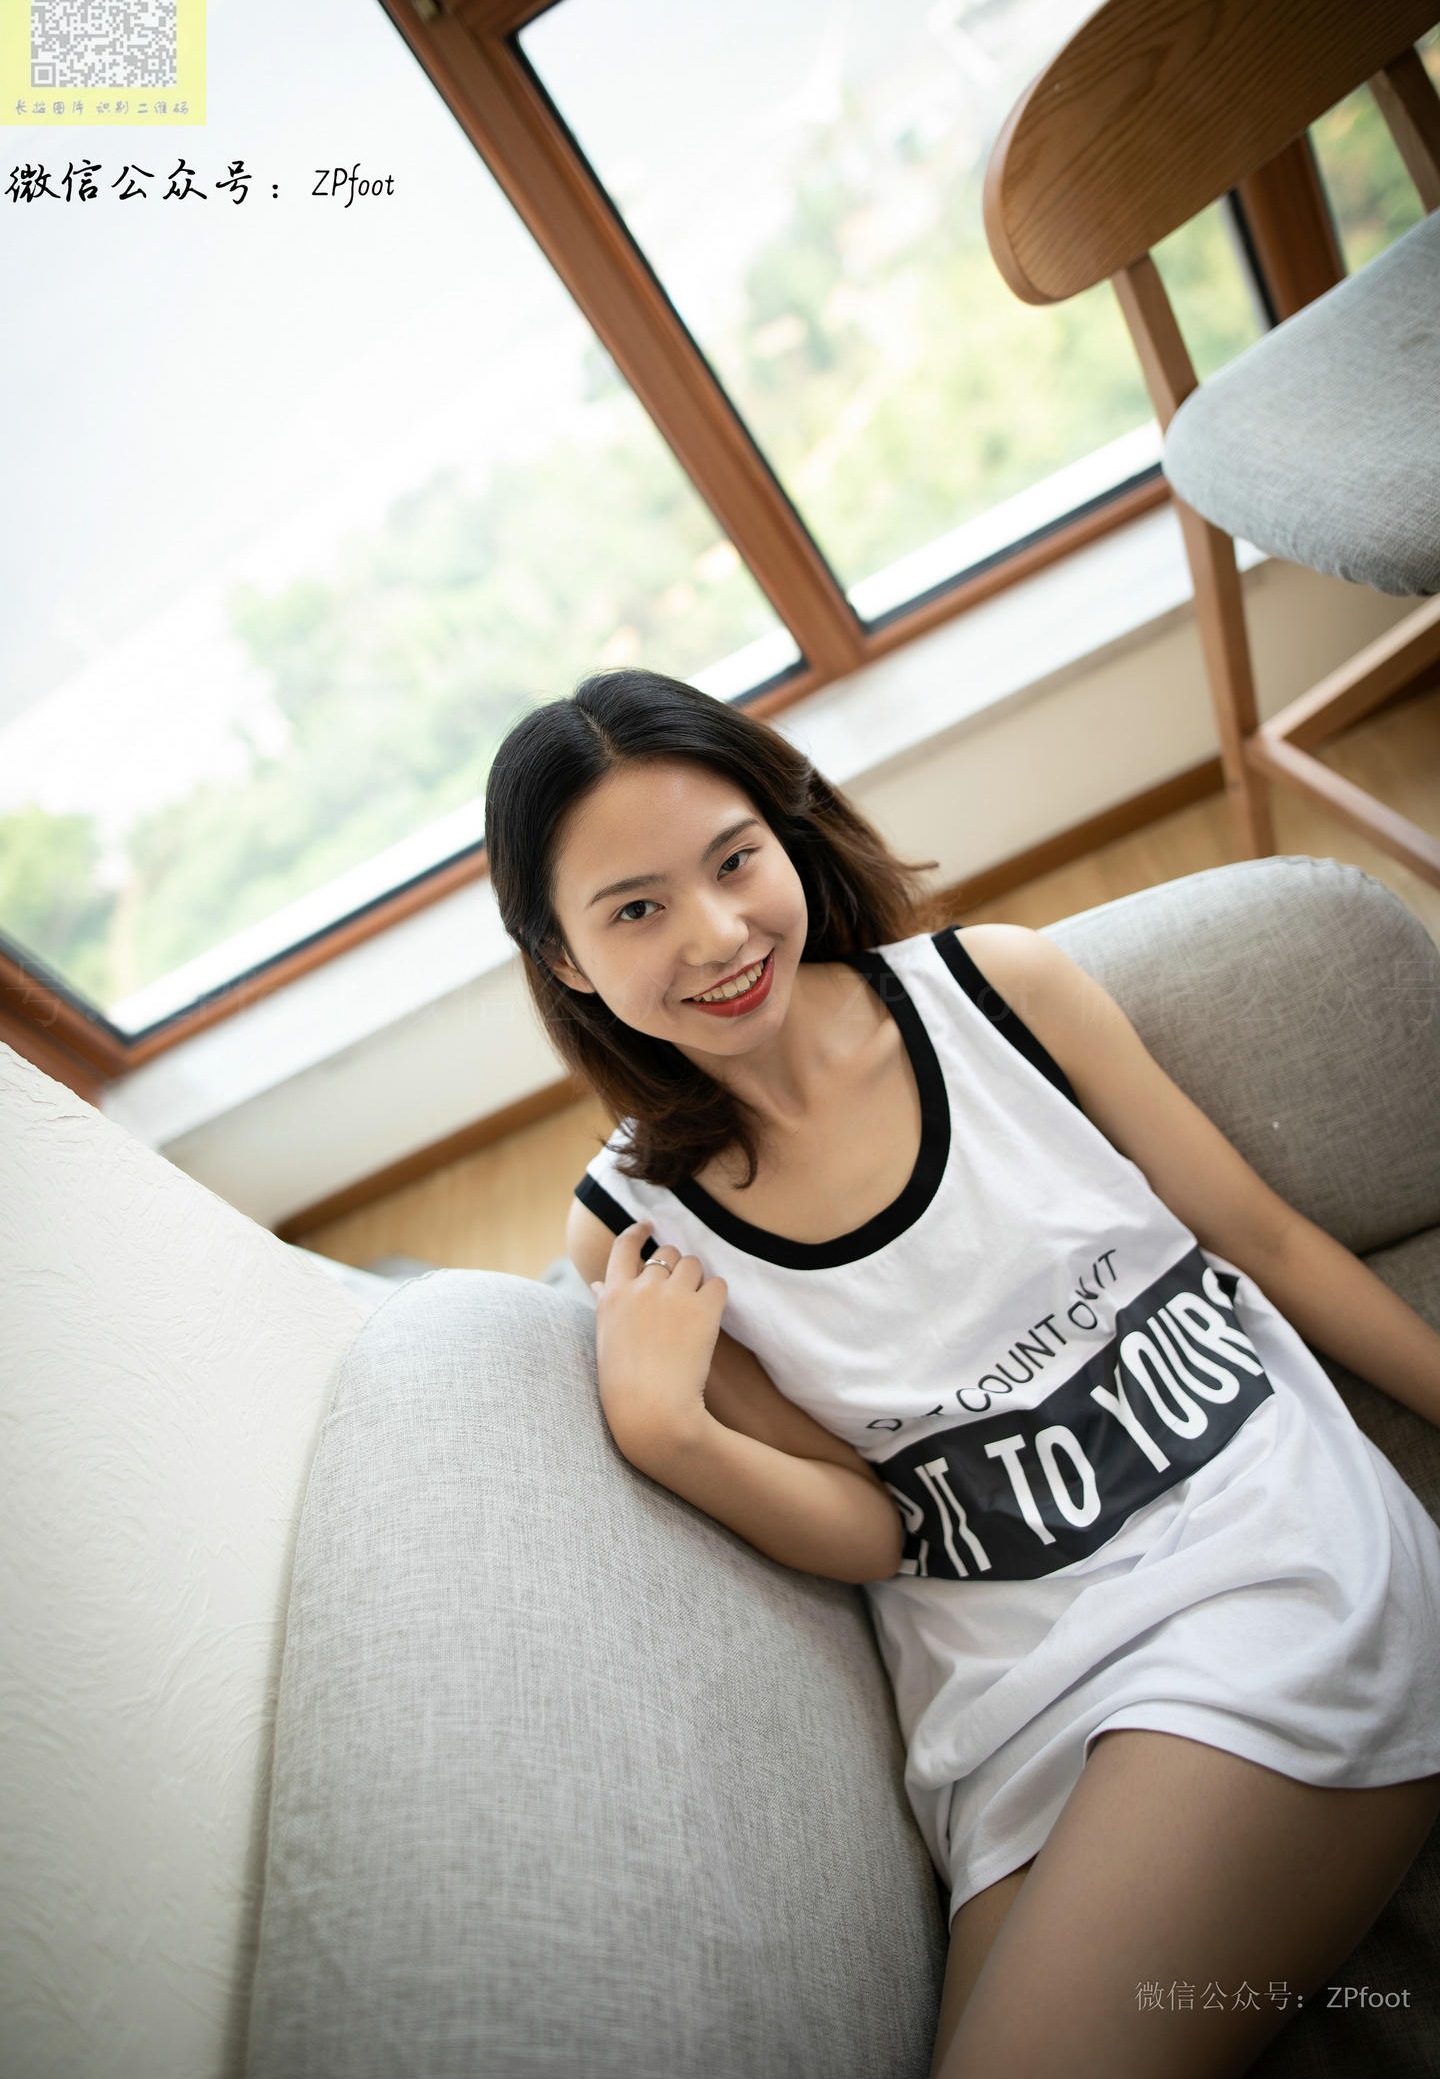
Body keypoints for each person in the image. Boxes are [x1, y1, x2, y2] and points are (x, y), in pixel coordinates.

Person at [483, 665, 1440, 2078]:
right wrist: (671, 1434)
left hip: (1257, 1567)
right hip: (1006, 1704)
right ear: (563, 959)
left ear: (784, 833)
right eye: (635, 910)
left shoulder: (999, 992)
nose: (719, 933)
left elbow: (1266, 1240)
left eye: (734, 860)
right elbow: (878, 1528)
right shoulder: (634, 1231)